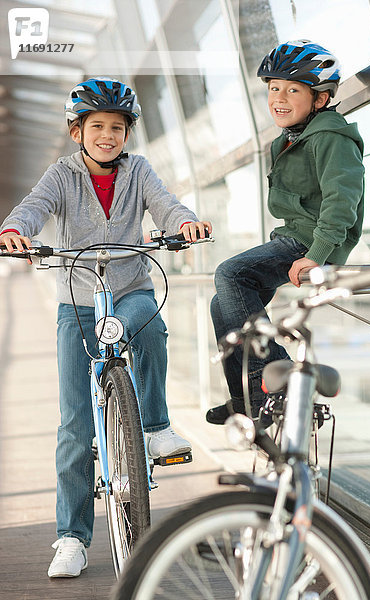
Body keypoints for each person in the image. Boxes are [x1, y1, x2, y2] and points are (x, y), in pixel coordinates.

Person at [0, 77, 211, 578]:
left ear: (126, 133)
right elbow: (32, 208)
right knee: (74, 426)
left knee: (152, 329)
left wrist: (185, 222)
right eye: (97, 126)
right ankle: (71, 536)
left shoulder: (138, 170)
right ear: (78, 131)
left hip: (131, 288)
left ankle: (156, 427)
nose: (107, 135)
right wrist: (13, 230)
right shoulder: (61, 174)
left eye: (117, 127)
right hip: (77, 301)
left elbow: (165, 202)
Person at [206, 40, 364, 425]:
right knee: (221, 305)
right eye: (274, 88)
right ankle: (246, 397)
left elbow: (342, 199)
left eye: (293, 89)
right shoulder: (290, 139)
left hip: (310, 241)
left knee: (230, 273)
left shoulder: (331, 138)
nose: (279, 97)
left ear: (321, 99)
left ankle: (280, 381)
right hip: (291, 238)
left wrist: (319, 251)